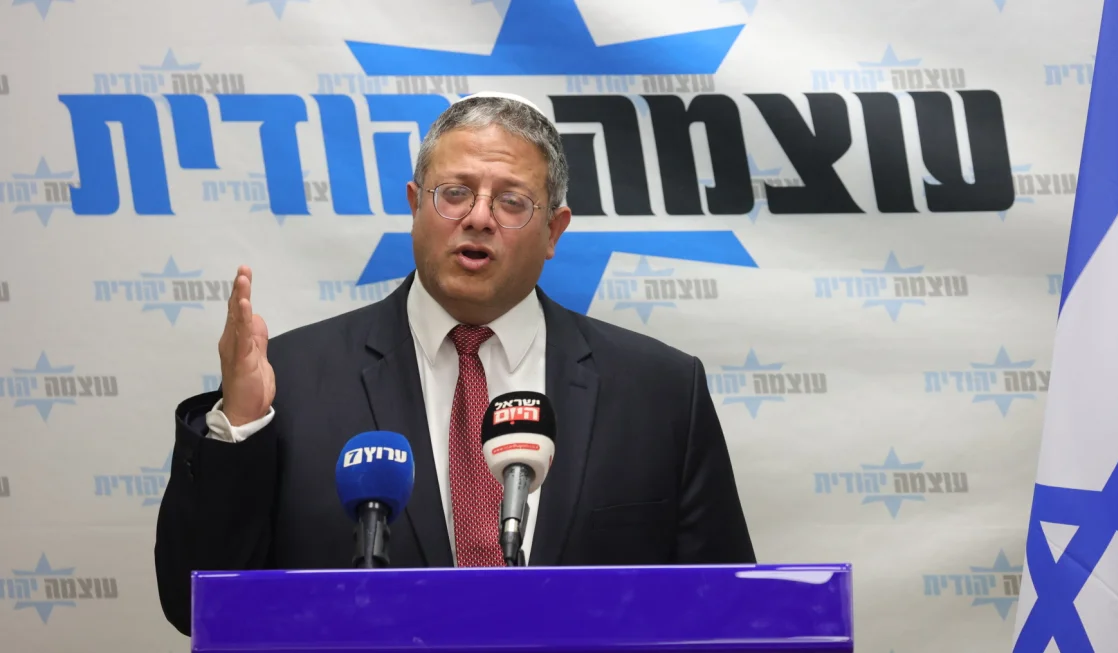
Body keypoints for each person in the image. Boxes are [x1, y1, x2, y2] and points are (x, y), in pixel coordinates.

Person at [153, 92, 756, 636]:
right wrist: (239, 426)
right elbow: (193, 604)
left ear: (554, 231)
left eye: (511, 201)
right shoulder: (291, 380)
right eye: (455, 193)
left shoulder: (659, 392)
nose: (479, 217)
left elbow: (728, 615)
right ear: (415, 205)